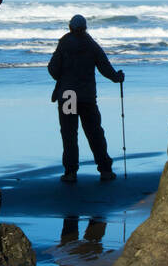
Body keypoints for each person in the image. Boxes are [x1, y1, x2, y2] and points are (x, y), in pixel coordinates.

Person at [48, 14, 125, 183]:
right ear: (85, 28)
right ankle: (105, 170)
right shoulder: (91, 45)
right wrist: (117, 77)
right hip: (87, 96)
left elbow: (53, 70)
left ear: (70, 27)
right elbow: (105, 67)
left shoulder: (64, 43)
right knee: (94, 133)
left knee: (69, 134)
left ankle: (70, 173)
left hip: (68, 95)